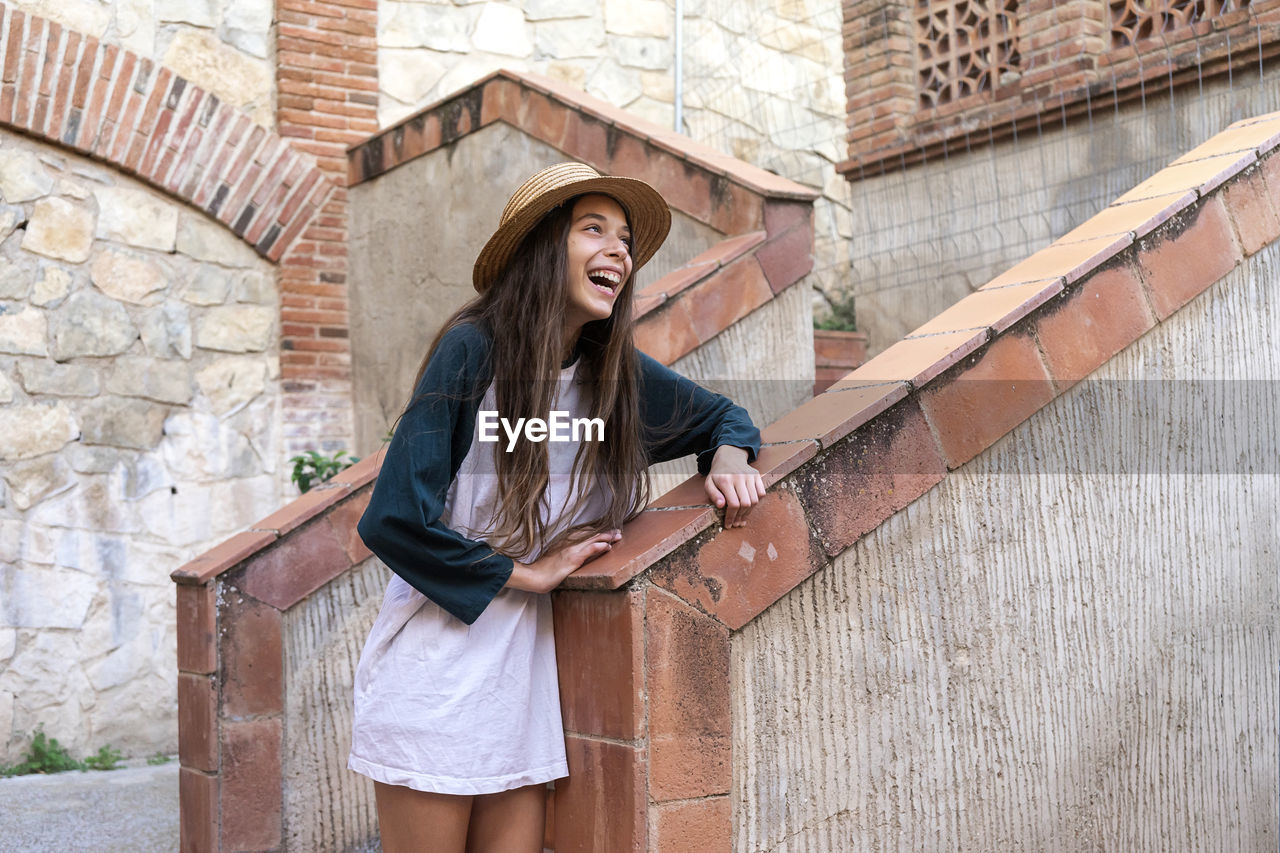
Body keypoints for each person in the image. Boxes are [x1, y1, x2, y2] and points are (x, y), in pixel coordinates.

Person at [348, 162, 766, 852]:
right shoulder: (472, 350)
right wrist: (528, 572)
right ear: (544, 247)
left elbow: (725, 417)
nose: (618, 251)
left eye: (625, 239)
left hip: (522, 692)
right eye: (592, 229)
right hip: (434, 678)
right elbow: (393, 517)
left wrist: (728, 458)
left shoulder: (613, 379)